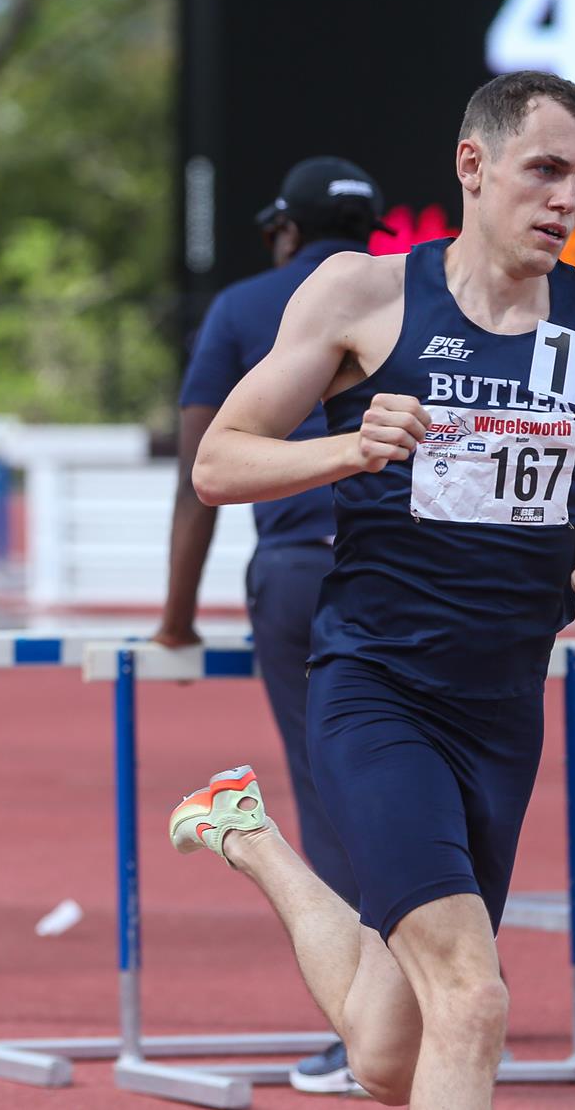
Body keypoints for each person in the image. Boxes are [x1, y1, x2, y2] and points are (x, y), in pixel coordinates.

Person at [174, 71, 575, 1110]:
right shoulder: (361, 297)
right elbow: (216, 463)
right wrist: (345, 450)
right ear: (473, 165)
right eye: (543, 169)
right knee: (472, 997)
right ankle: (252, 832)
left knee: (381, 1052)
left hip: (501, 708)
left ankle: (247, 837)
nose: (564, 199)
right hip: (375, 687)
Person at [154, 155, 385, 1094]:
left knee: (332, 788)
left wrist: (176, 621)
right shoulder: (408, 296)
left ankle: (361, 1027)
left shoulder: (249, 306)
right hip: (410, 573)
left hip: (300, 573)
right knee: (420, 784)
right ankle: (443, 995)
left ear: (285, 229)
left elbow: (202, 471)